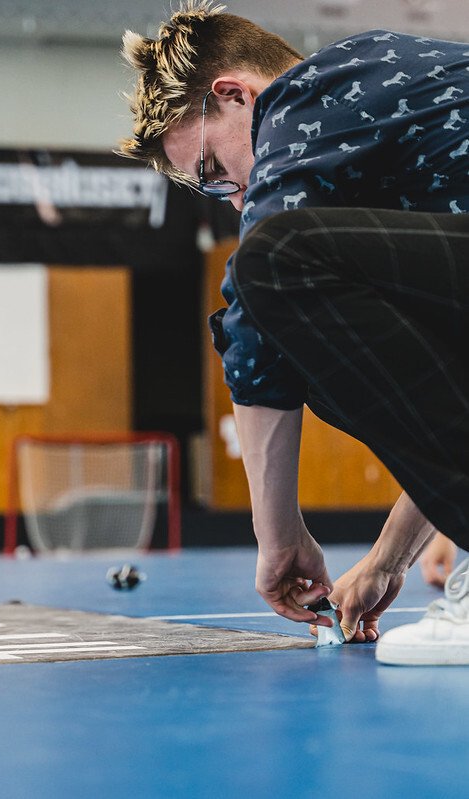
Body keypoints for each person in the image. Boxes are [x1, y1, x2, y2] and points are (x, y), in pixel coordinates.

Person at [118, 0, 469, 665]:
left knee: (273, 263)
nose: (235, 198)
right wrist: (389, 559)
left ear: (235, 94)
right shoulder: (386, 114)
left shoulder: (306, 95)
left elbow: (253, 323)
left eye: (214, 172)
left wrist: (275, 536)